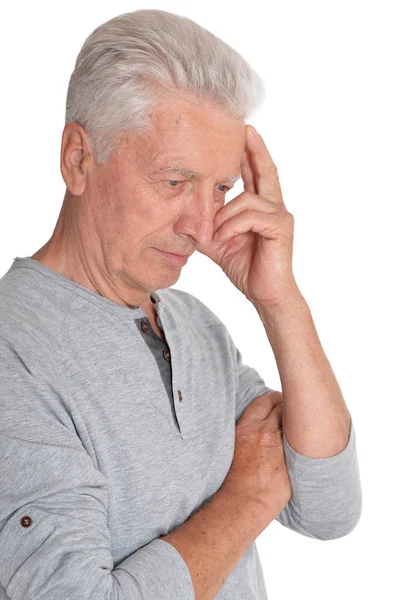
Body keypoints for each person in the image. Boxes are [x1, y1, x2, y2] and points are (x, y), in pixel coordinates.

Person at [0, 9, 362, 600]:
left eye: (220, 188)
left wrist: (280, 300)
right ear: (77, 159)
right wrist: (246, 499)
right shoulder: (14, 353)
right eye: (174, 182)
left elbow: (329, 508)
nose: (201, 225)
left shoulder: (193, 325)